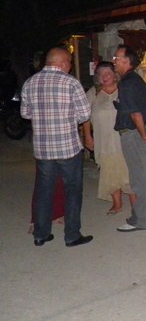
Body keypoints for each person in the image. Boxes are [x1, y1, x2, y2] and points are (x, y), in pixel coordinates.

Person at [20, 46, 93, 247]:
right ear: (62, 62)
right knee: (72, 191)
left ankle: (41, 234)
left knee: (44, 191)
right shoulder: (71, 83)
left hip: (43, 149)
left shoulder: (30, 82)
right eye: (69, 62)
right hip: (68, 148)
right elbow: (85, 114)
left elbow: (25, 113)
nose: (70, 66)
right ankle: (72, 235)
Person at [113, 45, 146, 233]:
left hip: (132, 134)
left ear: (127, 61)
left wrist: (143, 134)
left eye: (117, 58)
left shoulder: (127, 83)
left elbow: (135, 113)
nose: (114, 61)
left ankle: (139, 219)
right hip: (139, 133)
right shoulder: (138, 81)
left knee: (138, 178)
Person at [83, 61, 135, 216]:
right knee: (109, 171)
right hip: (103, 139)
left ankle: (136, 205)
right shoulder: (93, 93)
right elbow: (85, 117)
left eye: (108, 73)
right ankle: (117, 204)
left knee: (129, 172)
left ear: (115, 75)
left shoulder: (123, 89)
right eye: (101, 74)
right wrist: (88, 136)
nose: (105, 77)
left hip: (123, 138)